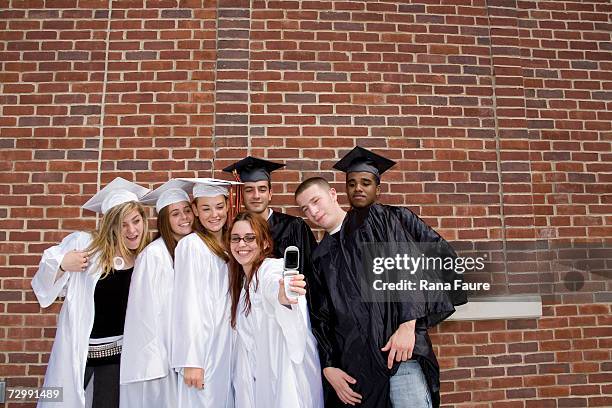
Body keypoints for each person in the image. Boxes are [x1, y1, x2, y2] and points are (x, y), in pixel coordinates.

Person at [295, 171, 466, 408]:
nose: (312, 212)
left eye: (316, 201)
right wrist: (329, 366)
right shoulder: (319, 257)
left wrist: (409, 325)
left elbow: (408, 267)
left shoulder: (376, 221)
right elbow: (322, 318)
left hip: (399, 358)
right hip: (356, 370)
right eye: (304, 209)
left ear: (333, 194)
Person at [31, 177, 150, 408]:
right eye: (122, 224)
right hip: (79, 353)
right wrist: (64, 263)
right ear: (110, 225)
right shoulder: (86, 245)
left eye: (136, 221)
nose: (132, 230)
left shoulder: (145, 257)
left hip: (118, 359)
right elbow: (44, 282)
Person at [226, 211, 324, 408]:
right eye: (235, 239)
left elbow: (276, 287)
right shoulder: (241, 281)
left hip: (282, 373)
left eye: (250, 238)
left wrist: (284, 297)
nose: (241, 244)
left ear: (264, 243)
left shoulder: (271, 269)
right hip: (259, 376)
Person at [120, 179, 196, 407]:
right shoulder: (153, 256)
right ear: (164, 220)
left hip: (187, 353)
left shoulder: (193, 248)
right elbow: (144, 316)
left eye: (187, 210)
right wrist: (162, 360)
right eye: (175, 214)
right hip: (163, 360)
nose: (184, 218)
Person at [171, 178, 237, 408]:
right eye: (206, 208)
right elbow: (186, 303)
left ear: (228, 206)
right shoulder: (191, 246)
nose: (214, 214)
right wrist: (191, 360)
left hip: (228, 343)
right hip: (205, 348)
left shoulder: (233, 244)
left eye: (219, 206)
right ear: (196, 211)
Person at [223, 156, 317, 282]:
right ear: (241, 194)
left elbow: (311, 273)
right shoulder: (236, 232)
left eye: (262, 189)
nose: (256, 196)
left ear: (270, 193)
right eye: (249, 190)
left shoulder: (293, 227)